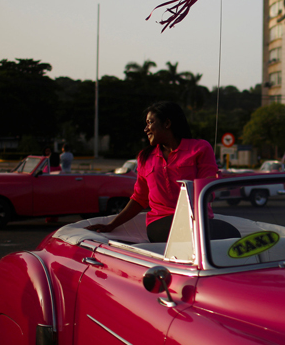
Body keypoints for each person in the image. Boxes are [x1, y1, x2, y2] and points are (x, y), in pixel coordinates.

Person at [88, 101, 217, 243]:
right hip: (160, 223)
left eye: (150, 123)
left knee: (232, 236)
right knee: (189, 235)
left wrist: (205, 196)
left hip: (198, 221)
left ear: (167, 124)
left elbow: (208, 190)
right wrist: (111, 225)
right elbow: (139, 198)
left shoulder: (201, 148)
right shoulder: (145, 157)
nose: (145, 129)